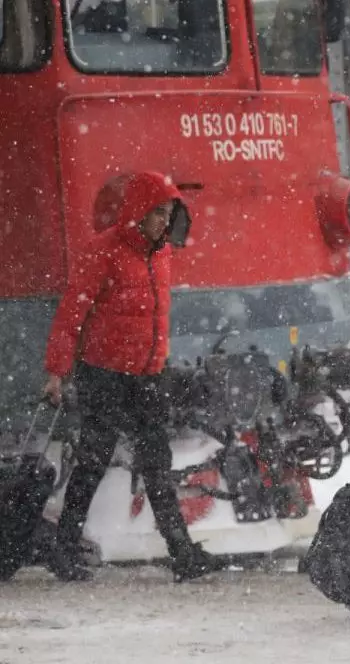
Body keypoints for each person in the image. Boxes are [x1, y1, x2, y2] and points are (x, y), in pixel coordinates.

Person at [41, 171, 225, 583]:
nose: (164, 221)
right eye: (157, 213)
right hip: (104, 375)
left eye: (168, 214)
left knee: (157, 465)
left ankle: (182, 554)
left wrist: (158, 359)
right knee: (92, 462)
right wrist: (56, 371)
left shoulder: (160, 253)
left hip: (146, 375)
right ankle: (64, 549)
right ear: (138, 213)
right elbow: (71, 315)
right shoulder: (103, 251)